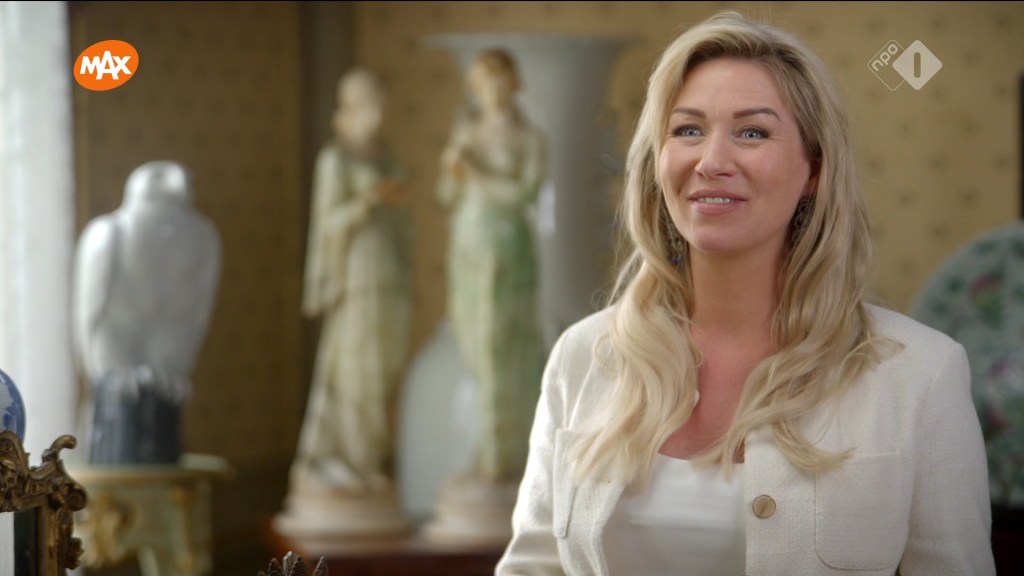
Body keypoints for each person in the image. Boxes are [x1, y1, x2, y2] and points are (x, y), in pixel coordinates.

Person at [497, 11, 994, 576]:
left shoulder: (920, 373)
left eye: (753, 132)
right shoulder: (582, 356)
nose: (711, 162)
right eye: (687, 130)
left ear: (814, 170)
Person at [289, 68, 411, 496]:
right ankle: (354, 462)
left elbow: (404, 216)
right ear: (352, 107)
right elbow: (328, 224)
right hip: (358, 274)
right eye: (371, 105)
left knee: (382, 371)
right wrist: (367, 201)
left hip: (389, 271)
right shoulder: (336, 160)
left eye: (382, 104)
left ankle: (373, 459)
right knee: (358, 371)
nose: (379, 114)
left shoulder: (385, 156)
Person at [437, 48, 548, 482]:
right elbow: (446, 195)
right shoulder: (466, 131)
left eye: (500, 82)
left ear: (515, 84)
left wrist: (476, 170)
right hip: (467, 245)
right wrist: (453, 166)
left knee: (502, 344)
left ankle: (504, 453)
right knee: (473, 345)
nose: (493, 93)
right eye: (484, 85)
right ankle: (485, 446)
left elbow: (523, 196)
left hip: (507, 247)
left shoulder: (530, 138)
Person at [73, 160, 221, 464]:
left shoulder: (203, 236)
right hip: (115, 344)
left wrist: (172, 367)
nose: (175, 181)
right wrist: (108, 371)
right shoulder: (109, 231)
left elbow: (194, 315)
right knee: (119, 413)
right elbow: (93, 318)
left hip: (167, 347)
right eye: (157, 177)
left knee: (162, 402)